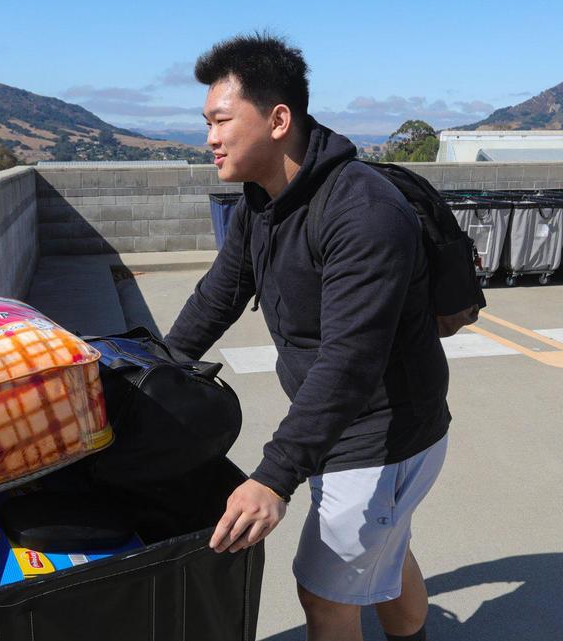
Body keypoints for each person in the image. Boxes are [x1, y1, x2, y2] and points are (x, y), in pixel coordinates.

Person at [163, 34, 451, 641]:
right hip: (344, 422)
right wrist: (155, 370)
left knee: (322, 595)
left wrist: (274, 476)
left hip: (379, 431)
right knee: (385, 555)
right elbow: (219, 295)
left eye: (220, 120)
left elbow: (349, 361)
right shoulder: (263, 200)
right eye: (206, 122)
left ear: (278, 120)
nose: (209, 138)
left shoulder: (362, 212)